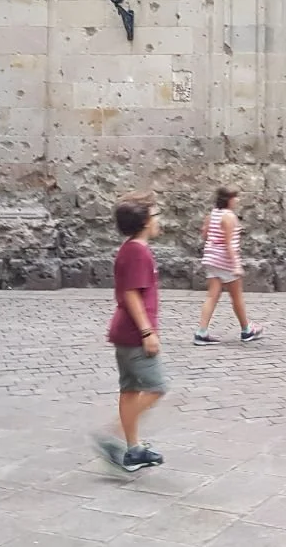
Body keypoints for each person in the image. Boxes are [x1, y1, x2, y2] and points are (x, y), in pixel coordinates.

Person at [93, 192, 166, 473]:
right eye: (156, 215)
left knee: (131, 389)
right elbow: (133, 294)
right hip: (135, 333)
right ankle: (113, 436)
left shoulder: (128, 248)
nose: (159, 220)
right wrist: (148, 332)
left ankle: (133, 449)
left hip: (123, 330)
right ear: (145, 221)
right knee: (157, 387)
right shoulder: (139, 251)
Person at [193, 187, 265, 346]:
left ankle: (201, 332)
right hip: (225, 261)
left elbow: (204, 234)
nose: (238, 200)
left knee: (212, 296)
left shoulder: (211, 214)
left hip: (211, 258)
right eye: (235, 197)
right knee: (236, 296)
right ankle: (246, 330)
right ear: (229, 200)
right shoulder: (229, 217)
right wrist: (236, 265)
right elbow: (229, 243)